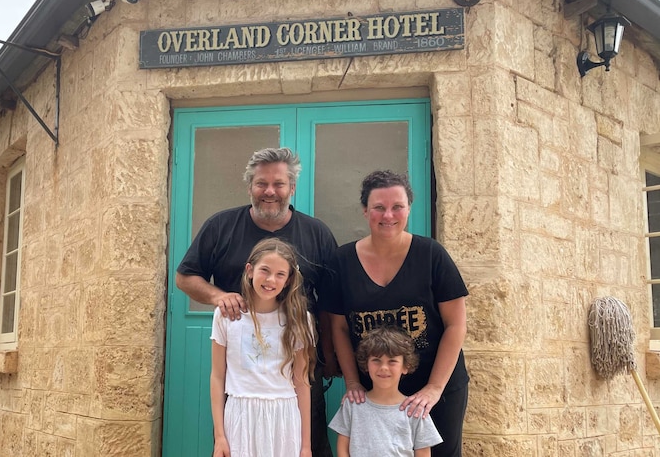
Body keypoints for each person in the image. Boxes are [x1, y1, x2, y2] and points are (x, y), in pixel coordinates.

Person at [177, 147, 338, 456]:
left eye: (278, 184)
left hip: (297, 366)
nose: (269, 191)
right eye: (261, 183)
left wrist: (329, 356)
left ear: (291, 187)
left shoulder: (316, 233)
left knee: (308, 446)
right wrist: (219, 296)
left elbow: (331, 302)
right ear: (249, 186)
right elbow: (185, 277)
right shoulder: (220, 226)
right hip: (240, 377)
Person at [321, 170, 469, 457]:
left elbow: (456, 325)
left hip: (435, 385)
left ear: (409, 209)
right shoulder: (342, 261)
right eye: (379, 207)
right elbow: (338, 328)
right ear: (365, 211)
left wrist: (434, 389)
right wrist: (352, 382)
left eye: (397, 206)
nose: (388, 215)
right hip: (376, 387)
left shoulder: (431, 255)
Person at [211, 238, 316, 457]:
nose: (271, 280)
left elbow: (302, 382)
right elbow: (218, 376)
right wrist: (220, 437)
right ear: (250, 270)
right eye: (265, 270)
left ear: (288, 280)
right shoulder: (226, 316)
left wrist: (306, 446)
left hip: (284, 416)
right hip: (240, 415)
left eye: (280, 274)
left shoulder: (299, 319)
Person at [328, 325, 442, 457]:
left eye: (392, 361)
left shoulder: (416, 410)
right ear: (366, 365)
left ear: (406, 366)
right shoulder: (352, 405)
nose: (383, 367)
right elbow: (343, 449)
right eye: (376, 360)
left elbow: (423, 453)